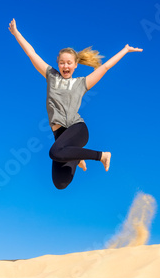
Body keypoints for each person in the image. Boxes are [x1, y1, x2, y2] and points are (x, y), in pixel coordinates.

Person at [8, 18, 142, 190]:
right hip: (60, 136)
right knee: (60, 183)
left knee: (54, 152)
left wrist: (125, 50)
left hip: (77, 129)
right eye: (62, 62)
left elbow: (105, 67)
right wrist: (16, 33)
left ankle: (102, 155)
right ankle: (77, 158)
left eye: (69, 63)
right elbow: (32, 54)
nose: (65, 65)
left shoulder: (81, 83)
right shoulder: (51, 76)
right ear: (57, 64)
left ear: (75, 65)